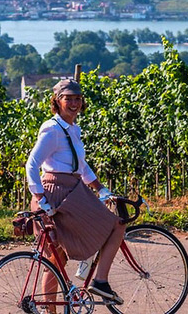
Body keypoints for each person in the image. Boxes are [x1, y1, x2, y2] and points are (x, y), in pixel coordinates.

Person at [26, 79, 125, 311]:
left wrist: (101, 188)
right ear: (57, 102)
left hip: (71, 190)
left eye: (77, 98)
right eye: (68, 98)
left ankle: (51, 310)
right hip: (58, 193)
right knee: (116, 224)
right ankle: (100, 281)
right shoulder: (53, 130)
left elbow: (81, 166)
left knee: (57, 259)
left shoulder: (71, 129)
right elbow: (31, 165)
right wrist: (41, 198)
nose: (74, 103)